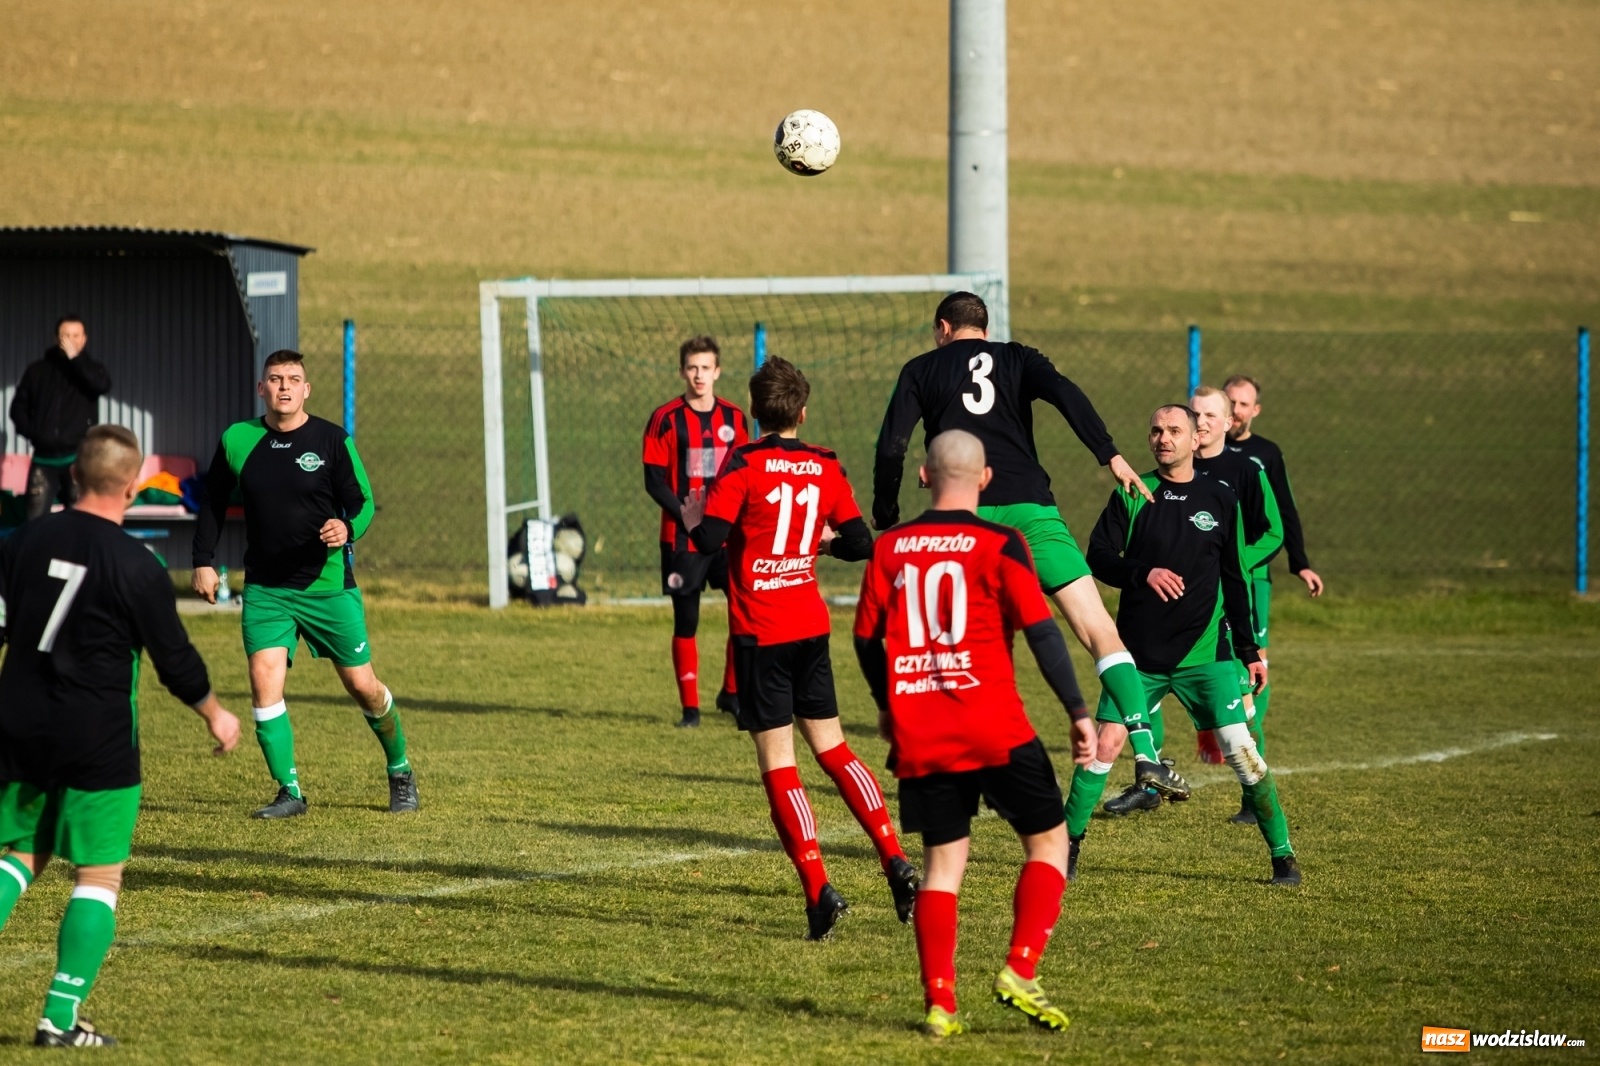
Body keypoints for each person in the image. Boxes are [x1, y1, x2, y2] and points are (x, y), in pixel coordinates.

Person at [870, 292, 1186, 803]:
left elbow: (892, 446)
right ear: (985, 328)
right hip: (1032, 511)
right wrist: (1109, 455)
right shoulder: (1018, 357)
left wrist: (885, 510)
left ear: (943, 327)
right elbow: (1066, 393)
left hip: (966, 517)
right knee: (1099, 629)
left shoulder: (921, 368)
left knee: (962, 641)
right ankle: (1146, 751)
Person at [0, 425, 241, 1047]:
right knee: (99, 876)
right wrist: (215, 713)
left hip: (20, 726)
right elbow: (175, 661)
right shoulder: (138, 564)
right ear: (132, 487)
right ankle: (59, 1018)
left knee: (19, 855)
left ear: (73, 475)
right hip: (97, 736)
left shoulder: (20, 541)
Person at [853, 429, 1096, 1038]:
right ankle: (1020, 969)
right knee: (1049, 844)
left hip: (922, 731)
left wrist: (885, 704)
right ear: (986, 480)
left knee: (942, 867)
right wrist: (1076, 709)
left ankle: (940, 1004)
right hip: (995, 727)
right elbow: (1042, 632)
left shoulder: (892, 547)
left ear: (924, 476)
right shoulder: (1002, 542)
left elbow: (865, 638)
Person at [681, 356, 917, 940]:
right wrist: (822, 543)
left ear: (753, 410)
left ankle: (819, 892)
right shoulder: (823, 464)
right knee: (834, 750)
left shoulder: (743, 464)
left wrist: (695, 518)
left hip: (761, 634)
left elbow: (709, 538)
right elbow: (861, 542)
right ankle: (894, 857)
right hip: (810, 627)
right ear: (802, 412)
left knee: (780, 766)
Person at [1066, 405, 1301, 887]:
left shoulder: (1221, 497)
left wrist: (1250, 650)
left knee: (1241, 750)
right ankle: (1066, 848)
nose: (1163, 438)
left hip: (1205, 654)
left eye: (1174, 430)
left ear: (1196, 439)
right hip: (1136, 656)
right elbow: (1099, 558)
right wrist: (1142, 572)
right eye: (1156, 430)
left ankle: (1283, 856)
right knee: (1104, 746)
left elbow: (1234, 577)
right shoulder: (1131, 491)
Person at [191, 350, 413, 819]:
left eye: (294, 379)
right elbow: (212, 500)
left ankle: (400, 769)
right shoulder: (238, 438)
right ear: (262, 389)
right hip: (267, 589)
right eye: (275, 379)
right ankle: (289, 791)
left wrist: (347, 528)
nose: (284, 387)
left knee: (363, 685)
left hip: (327, 587)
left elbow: (363, 501)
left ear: (307, 389)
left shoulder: (332, 440)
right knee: (263, 682)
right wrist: (202, 561)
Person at [1101, 385, 1283, 816]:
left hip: (1215, 612)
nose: (1200, 421)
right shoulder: (1142, 487)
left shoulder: (1242, 472)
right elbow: (1102, 555)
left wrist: (1223, 563)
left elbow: (1273, 532)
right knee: (1140, 704)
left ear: (1216, 427)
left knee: (1240, 717)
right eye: (1194, 413)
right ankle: (1149, 783)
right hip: (1153, 622)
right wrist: (1144, 572)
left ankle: (1254, 802)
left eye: (1207, 416)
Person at [1224, 374, 1321, 811]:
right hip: (1209, 575)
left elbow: (1285, 510)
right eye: (1230, 402)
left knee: (1253, 661)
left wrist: (1299, 562)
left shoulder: (1265, 455)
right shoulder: (1202, 453)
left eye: (1244, 404)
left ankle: (1252, 770)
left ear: (1255, 411)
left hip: (1253, 575)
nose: (1236, 410)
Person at [641, 335, 750, 728]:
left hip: (726, 535)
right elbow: (654, 482)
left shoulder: (735, 418)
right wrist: (688, 516)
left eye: (706, 368)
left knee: (744, 613)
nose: (699, 375)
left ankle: (731, 694)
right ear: (682, 371)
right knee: (686, 620)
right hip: (681, 538)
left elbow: (744, 475)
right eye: (692, 368)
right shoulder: (665, 419)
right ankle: (690, 710)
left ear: (717, 371)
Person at [9, 315, 113, 521]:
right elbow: (18, 408)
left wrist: (76, 359)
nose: (71, 340)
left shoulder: (92, 370)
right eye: (66, 336)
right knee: (35, 521)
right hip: (44, 458)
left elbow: (101, 385)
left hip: (78, 458)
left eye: (76, 336)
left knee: (81, 521)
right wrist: (34, 433)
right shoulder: (38, 371)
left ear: (84, 339)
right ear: (56, 338)